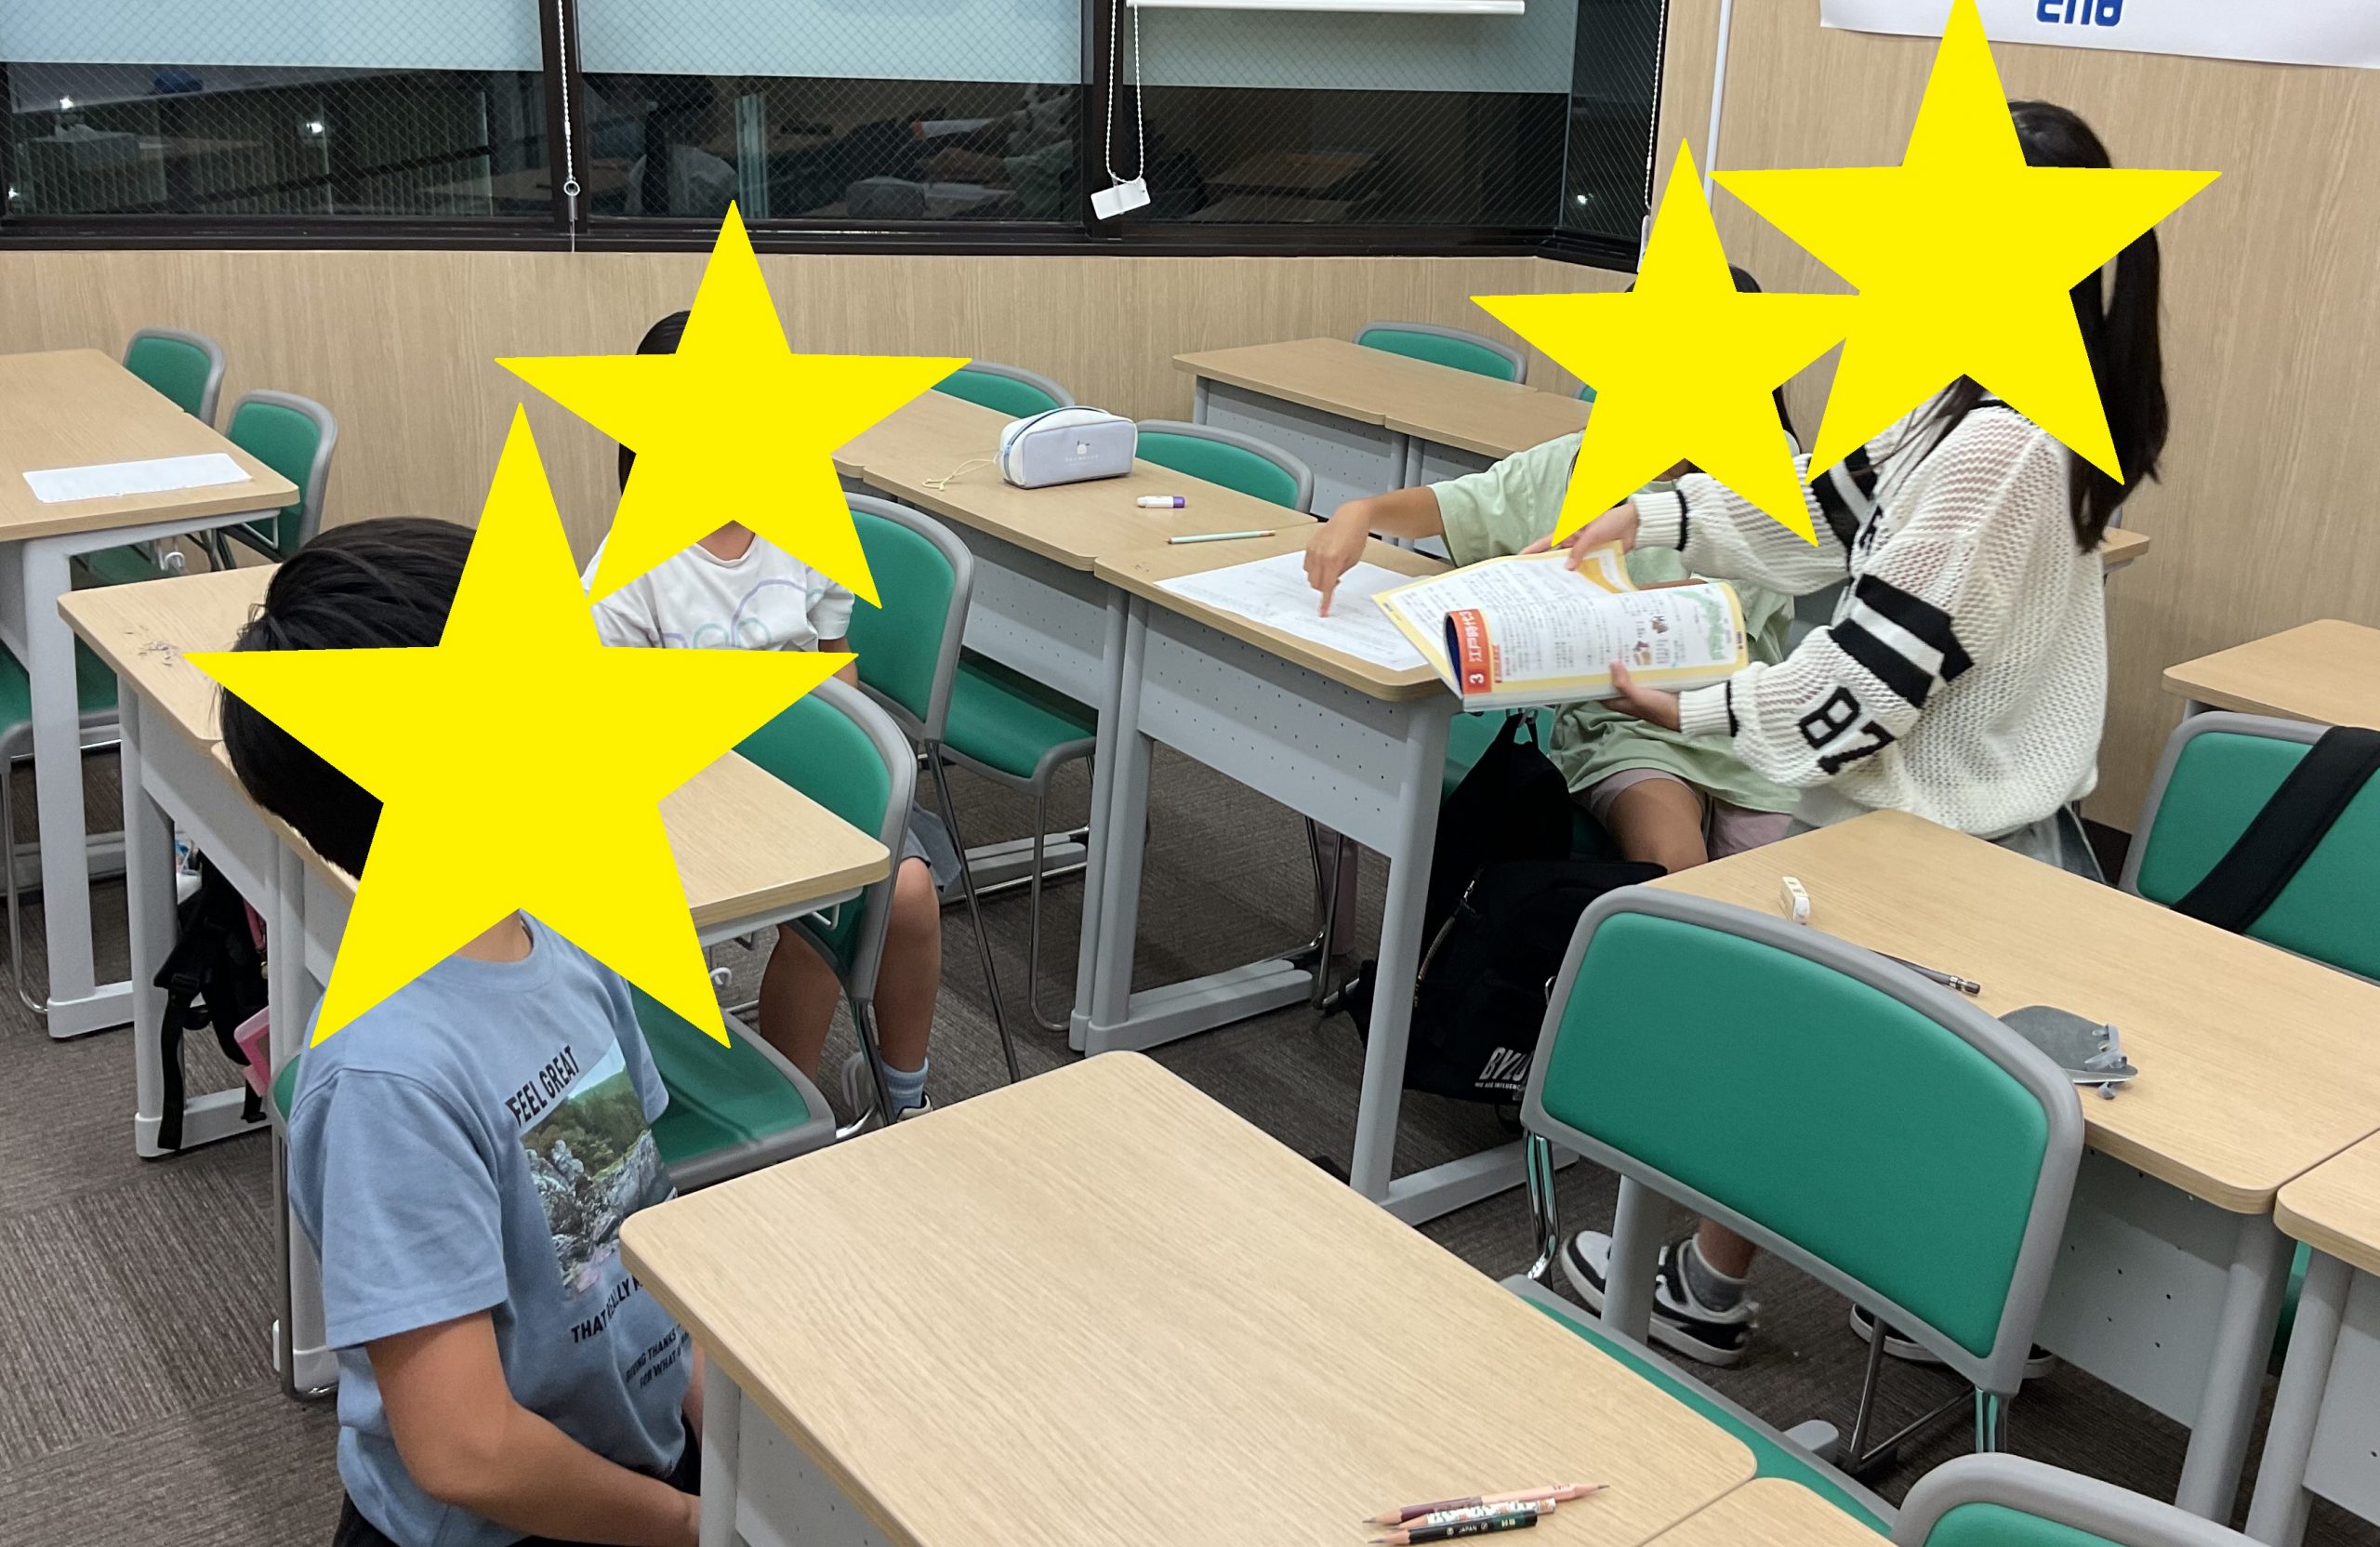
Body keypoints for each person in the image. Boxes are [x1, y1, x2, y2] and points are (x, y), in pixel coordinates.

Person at [1552, 101, 2166, 1368]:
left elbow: (1872, 676)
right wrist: (1654, 518)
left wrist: (1694, 709)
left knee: (1787, 1053)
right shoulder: (1960, 399)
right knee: (1813, 1061)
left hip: (1948, 844)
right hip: (1925, 830)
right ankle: (1832, 1282)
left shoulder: (2003, 441)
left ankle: (1760, 1287)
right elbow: (1817, 512)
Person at [218, 519, 703, 1547]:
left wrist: (726, 1453)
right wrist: (696, 1526)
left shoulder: (560, 940)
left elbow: (639, 1225)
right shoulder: (391, 1077)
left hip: (638, 1461)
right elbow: (465, 1448)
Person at [1303, 271, 1805, 876]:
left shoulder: (1773, 469)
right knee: (1676, 868)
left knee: (1766, 900)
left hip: (1746, 727)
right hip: (1626, 723)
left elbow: (1711, 614)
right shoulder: (1581, 460)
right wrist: (1362, 513)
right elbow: (1460, 502)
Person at [589, 311, 945, 1123]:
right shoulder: (630, 564)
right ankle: (796, 1119)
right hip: (687, 785)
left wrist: (850, 778)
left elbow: (836, 662)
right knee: (811, 910)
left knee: (905, 896)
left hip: (797, 772)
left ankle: (901, 1098)